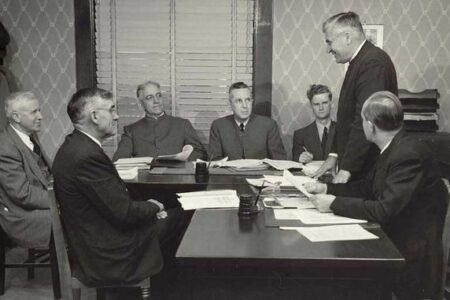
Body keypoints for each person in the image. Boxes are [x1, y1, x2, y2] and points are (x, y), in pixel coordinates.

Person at [306, 91, 448, 300]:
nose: (361, 125)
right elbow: (367, 188)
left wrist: (334, 203)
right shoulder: (394, 147)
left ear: (371, 125)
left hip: (411, 260)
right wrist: (327, 189)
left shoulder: (407, 154)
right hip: (398, 242)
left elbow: (384, 210)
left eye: (362, 121)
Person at [53, 87, 185, 287]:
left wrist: (149, 206)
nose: (117, 116)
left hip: (96, 238)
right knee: (181, 214)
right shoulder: (86, 156)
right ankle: (173, 290)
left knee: (171, 209)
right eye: (112, 110)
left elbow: (114, 204)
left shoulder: (75, 145)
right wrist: (155, 207)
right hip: (109, 253)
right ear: (95, 116)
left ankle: (165, 285)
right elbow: (124, 213)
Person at [314, 11, 398, 183]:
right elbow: (346, 117)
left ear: (347, 37)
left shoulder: (372, 63)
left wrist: (347, 169)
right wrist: (333, 155)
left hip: (367, 169)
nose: (327, 49)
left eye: (329, 42)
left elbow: (366, 118)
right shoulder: (360, 61)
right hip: (358, 167)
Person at [0, 91, 51, 247]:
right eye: (34, 112)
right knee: (78, 217)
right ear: (16, 117)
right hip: (20, 216)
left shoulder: (28, 137)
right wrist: (60, 200)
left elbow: (45, 176)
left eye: (39, 110)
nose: (40, 116)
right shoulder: (5, 146)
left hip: (36, 207)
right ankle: (68, 269)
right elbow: (22, 194)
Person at [113, 81, 207, 161]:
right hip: (145, 180)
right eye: (149, 97)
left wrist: (181, 162)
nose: (156, 101)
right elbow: (119, 160)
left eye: (159, 96)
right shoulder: (131, 130)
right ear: (140, 104)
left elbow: (199, 153)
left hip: (177, 178)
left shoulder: (182, 124)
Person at [208, 82, 286, 160]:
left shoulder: (268, 125)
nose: (245, 106)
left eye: (248, 100)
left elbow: (280, 161)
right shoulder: (218, 126)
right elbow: (214, 161)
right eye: (239, 101)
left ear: (252, 101)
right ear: (230, 104)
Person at [292, 84, 336, 163]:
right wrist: (300, 158)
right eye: (316, 104)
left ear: (331, 104)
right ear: (311, 106)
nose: (321, 108)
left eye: (325, 103)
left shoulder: (344, 131)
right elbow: (295, 158)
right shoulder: (300, 135)